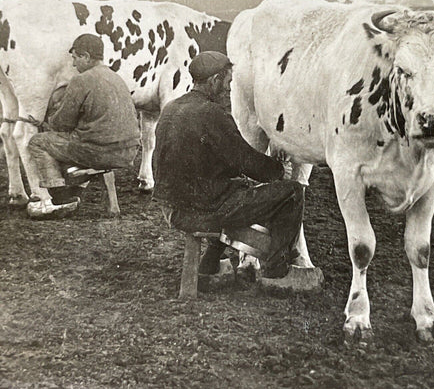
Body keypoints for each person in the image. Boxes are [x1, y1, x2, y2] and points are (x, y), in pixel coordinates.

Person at [152, 51, 304, 280]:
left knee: (231, 190)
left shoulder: (171, 109)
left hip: (172, 205)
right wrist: (280, 170)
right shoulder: (211, 113)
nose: (230, 90)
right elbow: (245, 160)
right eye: (228, 83)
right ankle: (276, 269)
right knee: (292, 193)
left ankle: (209, 264)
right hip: (198, 211)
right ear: (214, 81)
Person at [27, 33, 140, 219]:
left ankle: (58, 200)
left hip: (98, 152)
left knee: (39, 142)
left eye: (75, 58)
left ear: (86, 57)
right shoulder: (116, 77)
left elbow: (62, 123)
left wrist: (45, 120)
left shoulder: (81, 80)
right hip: (128, 152)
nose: (73, 64)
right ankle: (74, 191)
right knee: (74, 141)